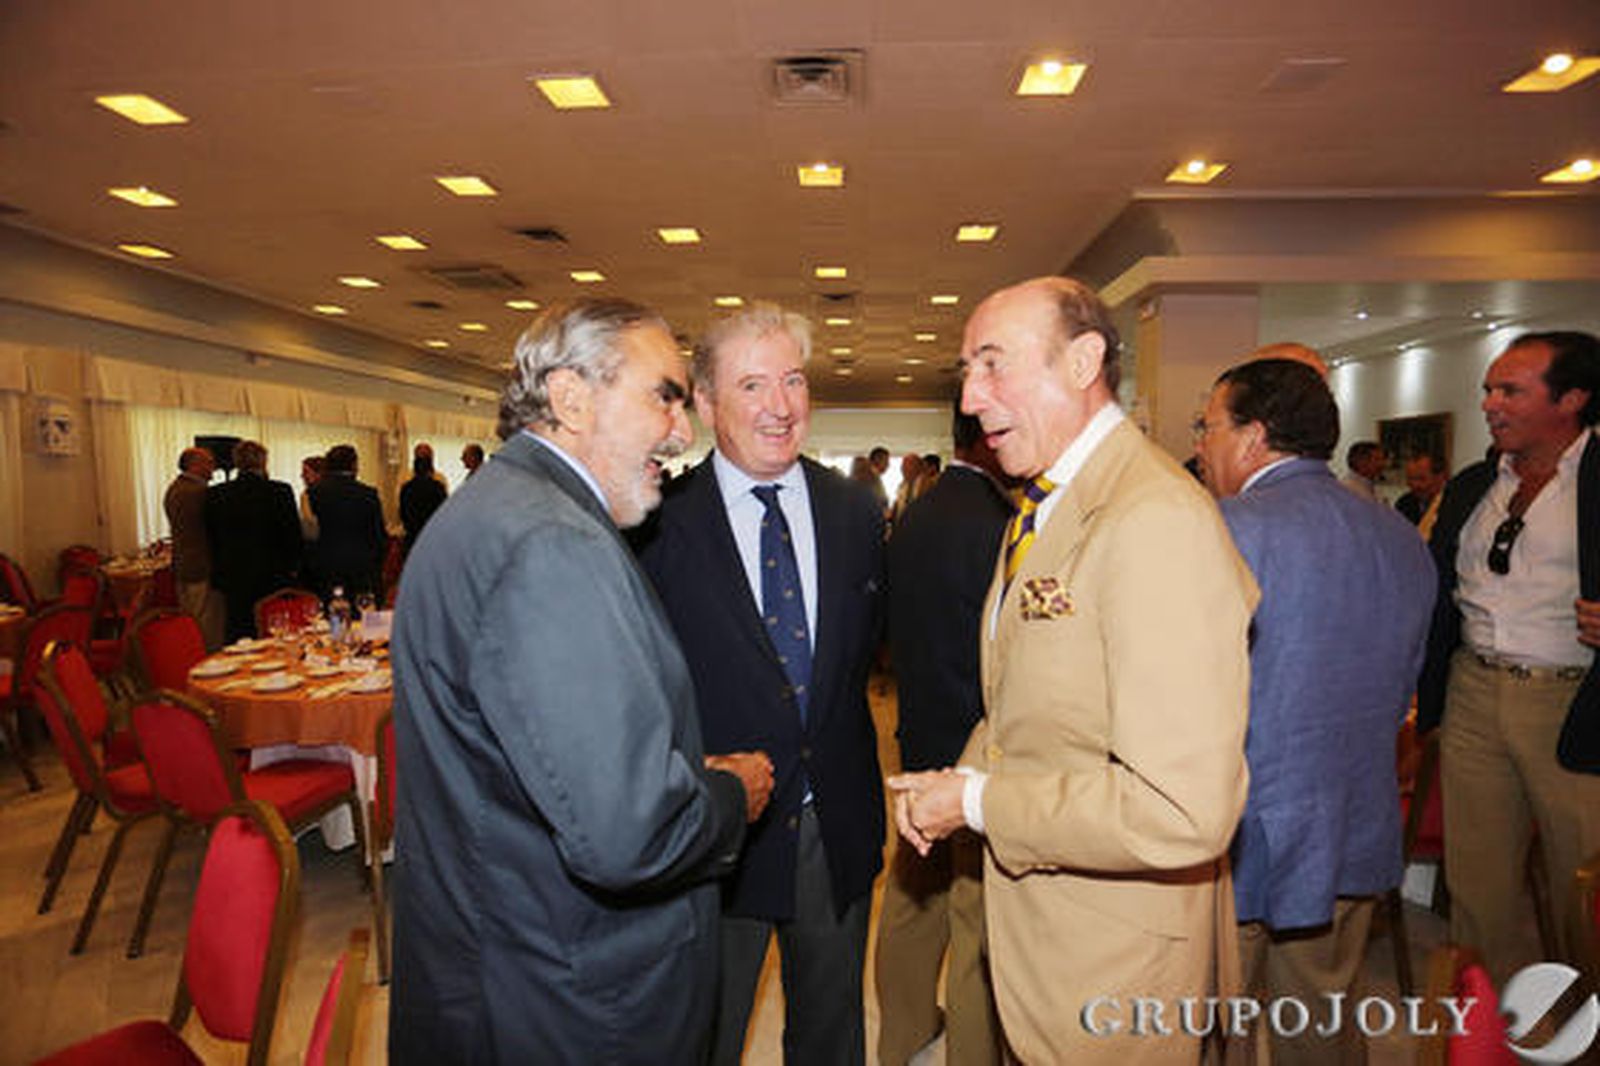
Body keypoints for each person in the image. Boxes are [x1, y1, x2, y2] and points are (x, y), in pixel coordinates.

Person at [390, 297, 773, 1064]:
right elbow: (627, 836)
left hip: (505, 960)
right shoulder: (549, 544)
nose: (683, 429)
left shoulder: (497, 509)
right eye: (663, 395)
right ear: (570, 398)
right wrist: (729, 796)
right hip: (570, 999)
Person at [888, 276, 1255, 1063]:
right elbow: (1021, 701)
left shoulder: (1152, 517)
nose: (972, 397)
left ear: (1085, 359)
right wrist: (953, 784)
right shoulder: (1048, 501)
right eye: (965, 372)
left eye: (993, 365)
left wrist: (980, 801)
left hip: (1114, 958)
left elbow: (1183, 809)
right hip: (1048, 932)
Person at [637, 302, 886, 1065]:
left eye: (793, 381)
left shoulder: (853, 508)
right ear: (706, 405)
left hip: (832, 822)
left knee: (831, 1032)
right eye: (752, 386)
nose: (781, 407)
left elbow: (861, 658)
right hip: (717, 834)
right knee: (706, 1036)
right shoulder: (657, 525)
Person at [1195, 356, 1435, 1064]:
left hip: (1237, 831)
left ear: (1253, 436)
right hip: (1353, 819)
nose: (1202, 444)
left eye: (1208, 426)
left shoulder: (1225, 528)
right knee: (1322, 1022)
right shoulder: (1399, 535)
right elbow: (1403, 689)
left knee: (1215, 1024)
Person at [1417, 330, 1600, 982]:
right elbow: (1437, 591)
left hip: (1572, 704)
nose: (1490, 402)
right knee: (1477, 884)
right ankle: (1479, 1030)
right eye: (1488, 389)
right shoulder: (1473, 484)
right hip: (1473, 692)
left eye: (1510, 390)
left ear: (1572, 398)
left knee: (1582, 886)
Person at [875, 404, 1008, 1066]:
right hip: (978, 755)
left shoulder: (918, 512)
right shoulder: (1004, 524)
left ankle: (900, 1038)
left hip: (920, 734)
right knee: (975, 922)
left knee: (908, 904)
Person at [204, 440, 302, 642]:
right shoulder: (280, 491)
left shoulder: (216, 494)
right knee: (274, 630)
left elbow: (211, 537)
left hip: (233, 574)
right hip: (272, 573)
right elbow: (292, 534)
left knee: (238, 630)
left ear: (236, 462)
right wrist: (294, 569)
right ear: (263, 462)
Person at [308, 443, 386, 601]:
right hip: (363, 566)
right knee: (364, 618)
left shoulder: (314, 493)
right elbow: (379, 534)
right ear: (354, 465)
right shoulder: (369, 494)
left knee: (333, 617)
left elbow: (310, 532)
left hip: (327, 566)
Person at [163, 445, 222, 648]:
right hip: (202, 565)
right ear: (195, 465)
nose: (213, 468)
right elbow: (210, 531)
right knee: (207, 624)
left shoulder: (175, 488)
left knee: (191, 619)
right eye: (209, 463)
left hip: (183, 564)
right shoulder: (197, 492)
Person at [399, 448, 448, 557]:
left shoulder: (406, 487)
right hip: (432, 539)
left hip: (412, 538)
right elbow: (444, 513)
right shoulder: (439, 487)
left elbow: (402, 513)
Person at [1397, 453, 1449, 539]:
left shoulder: (1453, 504)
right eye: (1410, 479)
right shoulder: (1403, 504)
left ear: (1441, 477)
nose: (1415, 485)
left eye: (1421, 479)